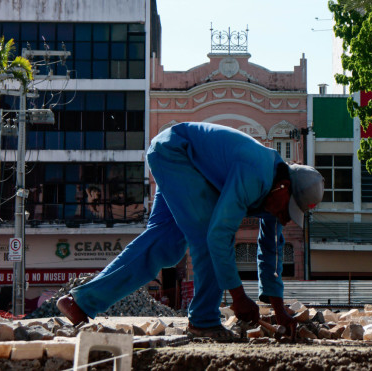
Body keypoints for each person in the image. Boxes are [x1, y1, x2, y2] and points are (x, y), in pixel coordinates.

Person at [57, 122, 324, 339]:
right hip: (177, 154)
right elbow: (218, 236)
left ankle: (80, 302)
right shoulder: (256, 173)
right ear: (284, 187)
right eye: (287, 210)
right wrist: (239, 297)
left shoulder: (274, 198)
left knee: (165, 244)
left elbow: (271, 253)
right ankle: (204, 321)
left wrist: (278, 310)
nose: (284, 218)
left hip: (184, 163)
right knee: (210, 238)